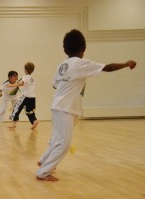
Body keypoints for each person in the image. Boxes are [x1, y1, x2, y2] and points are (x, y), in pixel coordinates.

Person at [36, 29, 137, 181]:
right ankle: (43, 172)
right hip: (65, 108)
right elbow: (107, 67)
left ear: (65, 49)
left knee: (56, 139)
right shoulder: (81, 64)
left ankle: (44, 160)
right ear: (83, 49)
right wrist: (126, 63)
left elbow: (55, 85)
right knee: (64, 143)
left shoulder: (62, 65)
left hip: (60, 106)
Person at [8, 62, 38, 129]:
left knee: (17, 108)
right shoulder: (32, 78)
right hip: (32, 97)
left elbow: (22, 83)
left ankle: (14, 123)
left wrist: (12, 85)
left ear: (25, 70)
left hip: (26, 97)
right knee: (29, 111)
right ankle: (34, 121)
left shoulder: (25, 77)